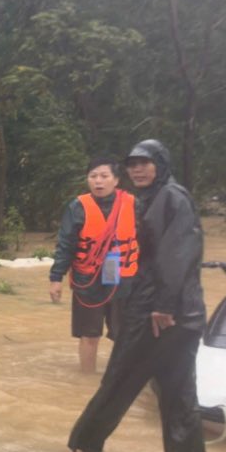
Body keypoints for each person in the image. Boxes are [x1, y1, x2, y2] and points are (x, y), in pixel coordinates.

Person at [68, 139, 209, 452]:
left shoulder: (172, 198)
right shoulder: (149, 199)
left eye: (145, 163)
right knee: (178, 393)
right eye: (132, 165)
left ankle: (84, 449)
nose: (138, 170)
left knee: (120, 378)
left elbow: (176, 256)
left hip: (159, 314)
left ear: (161, 164)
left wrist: (163, 306)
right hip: (178, 314)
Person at [48, 156, 139, 373]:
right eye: (93, 176)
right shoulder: (77, 207)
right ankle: (86, 379)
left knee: (124, 333)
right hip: (87, 280)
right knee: (89, 334)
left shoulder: (134, 204)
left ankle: (121, 379)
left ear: (116, 180)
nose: (98, 181)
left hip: (123, 279)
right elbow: (65, 245)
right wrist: (56, 278)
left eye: (104, 176)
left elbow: (150, 242)